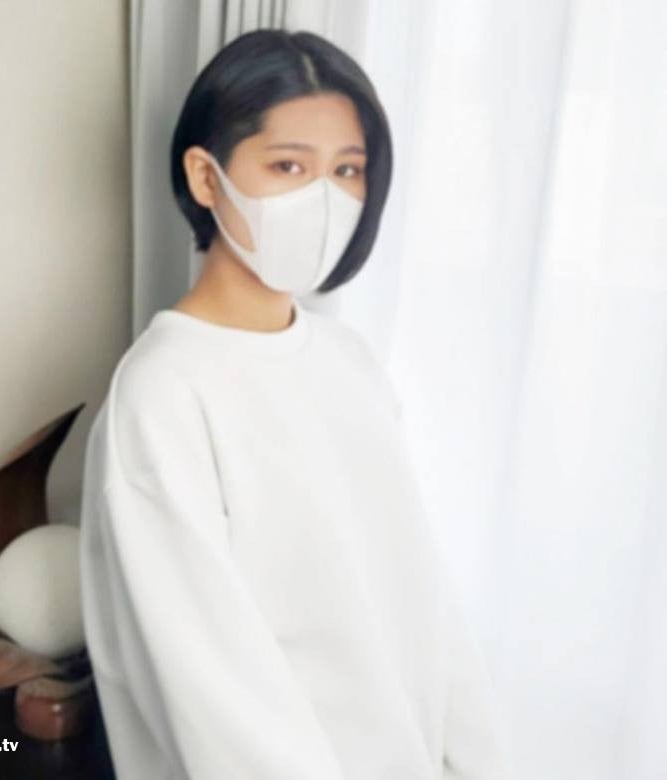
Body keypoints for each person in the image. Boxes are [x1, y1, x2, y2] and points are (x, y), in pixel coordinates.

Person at [79, 28, 511, 780]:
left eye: (347, 169)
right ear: (206, 177)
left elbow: (422, 596)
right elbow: (209, 684)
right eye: (288, 166)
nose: (325, 197)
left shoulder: (348, 361)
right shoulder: (163, 393)